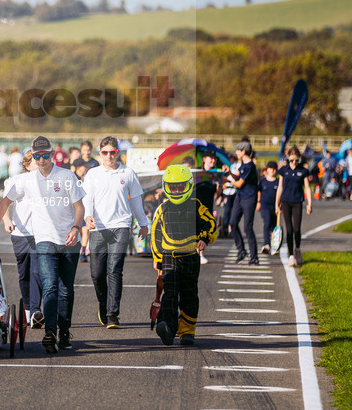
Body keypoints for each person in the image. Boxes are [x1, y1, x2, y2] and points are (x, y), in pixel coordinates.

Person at [0, 135, 85, 354]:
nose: (41, 160)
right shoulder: (26, 180)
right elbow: (4, 202)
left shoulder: (67, 176)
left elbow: (79, 207)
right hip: (45, 239)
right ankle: (50, 332)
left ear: (52, 155)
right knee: (49, 285)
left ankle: (65, 331)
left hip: (69, 240)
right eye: (37, 156)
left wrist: (76, 228)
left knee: (65, 290)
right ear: (33, 156)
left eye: (45, 155)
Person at [83, 136, 149, 329]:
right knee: (97, 274)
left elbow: (136, 200)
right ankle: (103, 305)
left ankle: (112, 314)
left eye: (112, 152)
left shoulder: (128, 173)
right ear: (100, 153)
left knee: (115, 270)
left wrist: (143, 224)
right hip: (98, 228)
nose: (109, 156)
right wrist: (87, 216)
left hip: (121, 226)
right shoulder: (93, 174)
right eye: (105, 152)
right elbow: (88, 199)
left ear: (118, 153)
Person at [150, 164, 217, 346]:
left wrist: (204, 238)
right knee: (170, 294)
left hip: (191, 257)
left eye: (181, 187)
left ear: (188, 186)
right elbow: (155, 233)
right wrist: (157, 259)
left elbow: (211, 224)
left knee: (189, 294)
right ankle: (168, 329)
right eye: (173, 187)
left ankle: (187, 332)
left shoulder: (196, 206)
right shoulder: (163, 209)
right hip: (169, 258)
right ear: (166, 187)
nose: (177, 190)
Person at [1, 149, 44, 328]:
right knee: (24, 273)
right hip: (20, 234)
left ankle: (35, 311)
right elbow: (4, 204)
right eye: (36, 161)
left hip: (41, 233)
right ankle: (27, 309)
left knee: (36, 272)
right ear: (27, 165)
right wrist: (6, 220)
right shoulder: (14, 181)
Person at [276, 147, 313, 266]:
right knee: (289, 229)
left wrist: (309, 204)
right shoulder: (283, 170)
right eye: (292, 160)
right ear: (288, 159)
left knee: (296, 229)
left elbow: (307, 187)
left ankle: (297, 249)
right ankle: (291, 255)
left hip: (297, 201)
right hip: (286, 201)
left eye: (296, 160)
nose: (294, 163)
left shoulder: (303, 171)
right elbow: (280, 187)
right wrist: (277, 204)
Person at [228, 141, 259, 265]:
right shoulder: (242, 165)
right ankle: (241, 250)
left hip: (249, 198)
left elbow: (240, 183)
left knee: (247, 227)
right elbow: (237, 177)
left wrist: (227, 182)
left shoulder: (250, 166)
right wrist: (228, 173)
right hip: (240, 197)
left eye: (238, 150)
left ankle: (254, 256)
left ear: (243, 151)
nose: (236, 152)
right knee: (233, 223)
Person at [257, 161, 279, 255]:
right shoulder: (263, 181)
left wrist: (279, 206)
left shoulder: (278, 181)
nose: (272, 171)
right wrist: (258, 202)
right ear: (267, 170)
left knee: (274, 227)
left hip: (275, 206)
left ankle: (274, 246)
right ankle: (266, 244)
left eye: (274, 169)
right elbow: (259, 192)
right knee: (267, 222)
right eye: (270, 168)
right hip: (265, 205)